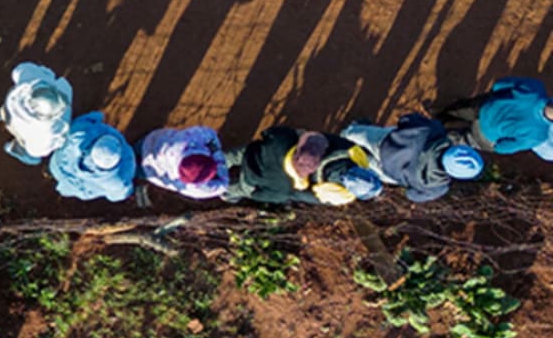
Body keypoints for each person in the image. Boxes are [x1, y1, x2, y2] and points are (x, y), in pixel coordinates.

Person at [344, 115, 484, 203]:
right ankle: (349, 155)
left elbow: (407, 119)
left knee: (360, 134)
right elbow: (412, 195)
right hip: (390, 172)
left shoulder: (433, 131)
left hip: (387, 144)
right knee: (368, 164)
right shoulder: (437, 188)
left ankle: (345, 134)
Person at [437, 77, 553, 158]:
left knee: (457, 110)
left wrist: (495, 95)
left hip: (484, 107)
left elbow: (501, 84)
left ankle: (439, 116)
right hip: (486, 136)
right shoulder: (538, 136)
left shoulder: (535, 88)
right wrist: (496, 147)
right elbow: (506, 148)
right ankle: (437, 138)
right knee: (460, 139)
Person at [0, 62, 73, 164]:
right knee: (32, 154)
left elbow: (20, 69)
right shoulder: (50, 129)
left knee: (7, 110)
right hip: (23, 132)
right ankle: (17, 149)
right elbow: (38, 151)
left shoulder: (28, 84)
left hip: (10, 112)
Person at [48, 114, 136, 202]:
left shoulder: (79, 135)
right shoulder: (119, 179)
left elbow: (89, 118)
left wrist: (99, 115)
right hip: (80, 191)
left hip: (56, 168)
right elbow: (118, 195)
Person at [225, 127, 319, 205]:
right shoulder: (285, 189)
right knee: (234, 191)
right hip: (250, 178)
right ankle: (225, 194)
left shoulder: (286, 139)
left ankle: (215, 164)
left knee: (229, 157)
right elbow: (258, 195)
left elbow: (268, 132)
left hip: (249, 154)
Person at [139, 126, 230, 200]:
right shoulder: (193, 188)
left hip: (151, 142)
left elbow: (210, 133)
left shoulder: (189, 138)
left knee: (139, 148)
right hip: (151, 172)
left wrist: (215, 151)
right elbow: (223, 185)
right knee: (139, 172)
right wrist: (218, 157)